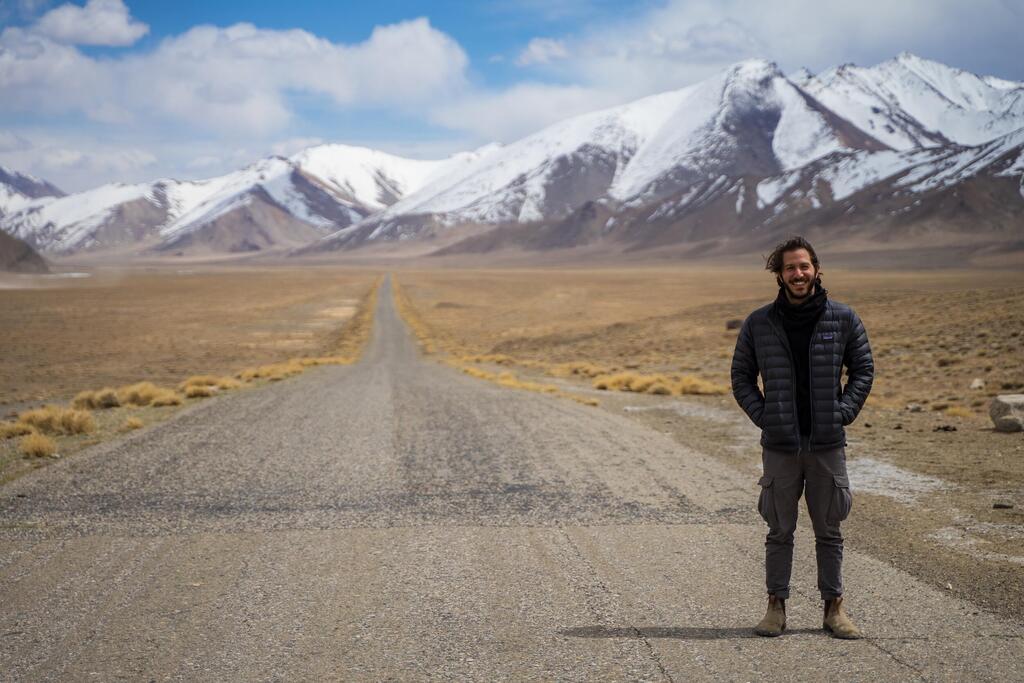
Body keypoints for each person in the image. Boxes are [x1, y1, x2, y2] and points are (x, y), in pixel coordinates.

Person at [730, 236, 873, 639]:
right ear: (779, 274)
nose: (798, 274)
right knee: (779, 530)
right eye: (790, 268)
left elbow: (863, 369)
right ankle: (775, 607)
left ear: (816, 269)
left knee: (830, 530)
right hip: (780, 447)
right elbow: (741, 377)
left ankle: (834, 609)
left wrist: (842, 413)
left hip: (827, 445)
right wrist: (765, 417)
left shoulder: (842, 318)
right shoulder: (759, 323)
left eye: (804, 266)